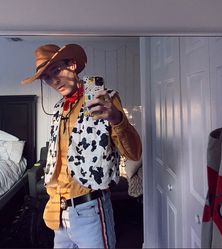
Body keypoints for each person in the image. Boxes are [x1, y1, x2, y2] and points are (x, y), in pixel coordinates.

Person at [22, 43, 142, 249]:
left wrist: (115, 118)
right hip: (59, 212)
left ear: (73, 65)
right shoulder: (59, 108)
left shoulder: (106, 99)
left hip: (90, 209)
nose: (54, 80)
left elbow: (134, 152)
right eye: (47, 77)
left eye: (57, 70)